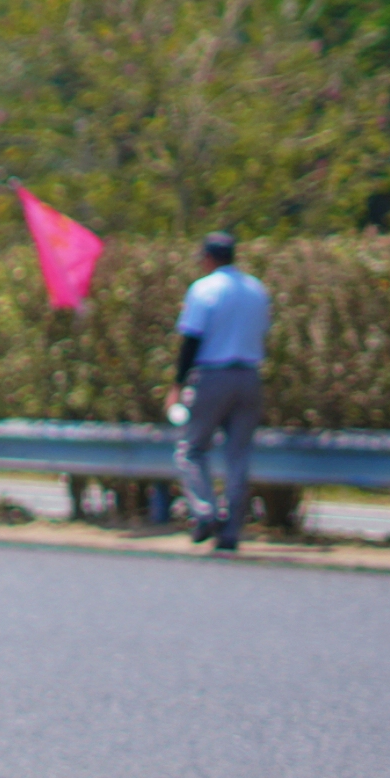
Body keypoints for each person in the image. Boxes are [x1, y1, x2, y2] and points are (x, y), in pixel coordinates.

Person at [170, 229, 271, 551]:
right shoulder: (256, 289)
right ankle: (231, 529)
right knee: (238, 454)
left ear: (209, 258)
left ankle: (205, 511)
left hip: (213, 375)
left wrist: (177, 384)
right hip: (249, 376)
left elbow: (192, 339)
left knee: (192, 449)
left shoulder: (204, 288)